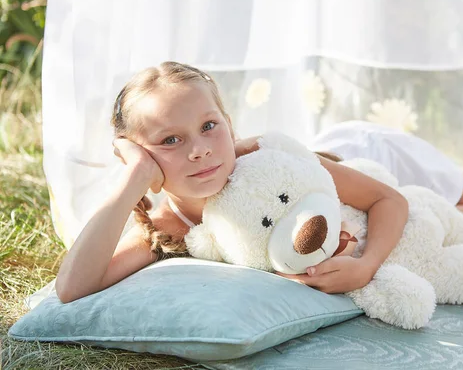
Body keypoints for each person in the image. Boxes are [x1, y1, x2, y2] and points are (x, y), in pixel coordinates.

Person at [54, 62, 409, 303]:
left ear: (228, 123)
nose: (200, 151)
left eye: (209, 127)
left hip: (374, 149)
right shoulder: (169, 227)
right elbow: (71, 287)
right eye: (170, 140)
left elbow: (388, 200)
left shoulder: (265, 154)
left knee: (461, 206)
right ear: (141, 156)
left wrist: (365, 267)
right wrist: (135, 178)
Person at [309, 121, 463, 221]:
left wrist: (365, 265)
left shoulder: (318, 173)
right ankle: (445, 214)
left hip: (381, 149)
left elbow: (390, 201)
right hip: (356, 153)